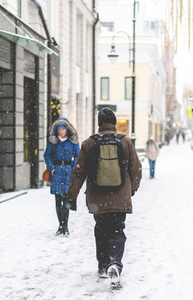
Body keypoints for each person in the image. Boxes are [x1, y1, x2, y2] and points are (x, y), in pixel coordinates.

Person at [66, 107, 142, 289]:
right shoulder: (125, 142)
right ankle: (115, 263)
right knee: (117, 231)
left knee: (101, 230)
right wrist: (131, 190)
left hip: (97, 199)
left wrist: (72, 196)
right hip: (119, 198)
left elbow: (78, 173)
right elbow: (136, 170)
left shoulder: (89, 143)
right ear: (114, 123)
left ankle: (102, 266)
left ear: (99, 124)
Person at [44, 117, 80, 236]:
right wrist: (51, 167)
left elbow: (78, 155)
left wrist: (73, 167)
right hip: (57, 172)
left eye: (63, 129)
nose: (61, 131)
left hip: (68, 172)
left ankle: (65, 226)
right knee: (58, 200)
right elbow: (47, 155)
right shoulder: (53, 141)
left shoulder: (73, 141)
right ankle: (60, 225)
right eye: (59, 129)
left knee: (66, 199)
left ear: (67, 130)